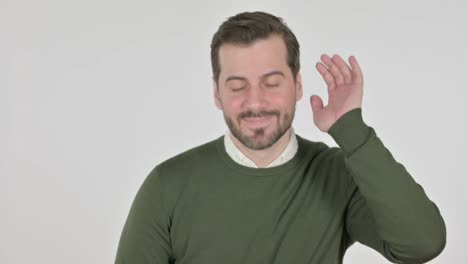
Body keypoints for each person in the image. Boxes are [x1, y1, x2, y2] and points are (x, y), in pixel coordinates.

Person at [115, 11, 446, 264]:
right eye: (237, 86)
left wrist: (352, 131)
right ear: (217, 93)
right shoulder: (167, 186)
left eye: (271, 83)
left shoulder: (337, 174)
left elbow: (421, 243)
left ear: (297, 86)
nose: (255, 101)